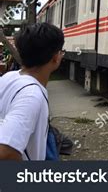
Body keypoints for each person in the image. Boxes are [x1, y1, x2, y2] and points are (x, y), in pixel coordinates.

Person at [0, 23, 65, 160]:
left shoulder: (9, 77)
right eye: (61, 51)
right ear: (55, 57)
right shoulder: (31, 95)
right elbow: (6, 153)